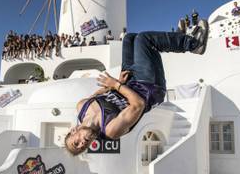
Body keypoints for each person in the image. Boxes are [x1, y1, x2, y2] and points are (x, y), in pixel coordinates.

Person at [64, 19, 209, 155]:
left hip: (128, 82)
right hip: (149, 88)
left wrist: (113, 85)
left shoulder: (81, 106)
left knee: (130, 38)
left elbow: (97, 96)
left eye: (76, 143)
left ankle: (177, 36)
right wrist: (116, 84)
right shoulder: (110, 130)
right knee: (144, 39)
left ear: (73, 131)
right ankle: (194, 44)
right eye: (82, 148)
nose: (83, 144)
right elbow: (138, 105)